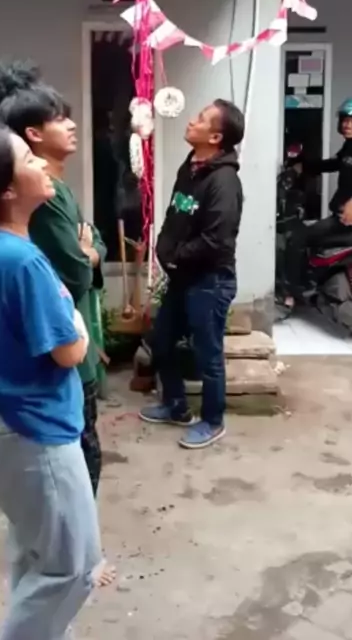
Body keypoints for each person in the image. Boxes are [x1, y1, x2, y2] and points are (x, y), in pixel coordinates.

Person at [0, 129, 102, 640]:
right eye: (27, 158)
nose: (40, 163)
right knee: (73, 569)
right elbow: (70, 351)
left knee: (38, 555)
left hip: (7, 423)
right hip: (35, 433)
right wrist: (78, 324)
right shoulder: (22, 260)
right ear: (6, 190)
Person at [0, 62, 115, 585]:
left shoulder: (16, 230)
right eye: (61, 118)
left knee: (68, 468)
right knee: (77, 461)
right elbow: (75, 276)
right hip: (53, 383)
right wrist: (86, 260)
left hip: (47, 381)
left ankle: (66, 551)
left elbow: (92, 242)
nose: (73, 125)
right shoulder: (22, 247)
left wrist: (90, 251)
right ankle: (75, 557)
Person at [140, 99, 244, 450]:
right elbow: (176, 215)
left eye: (200, 119)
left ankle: (213, 421)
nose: (191, 121)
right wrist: (162, 247)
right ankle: (176, 406)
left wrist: (174, 257)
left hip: (209, 281)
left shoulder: (224, 182)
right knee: (162, 340)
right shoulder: (191, 168)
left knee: (206, 354)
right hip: (182, 276)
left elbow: (216, 241)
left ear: (215, 137)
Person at [284, 97, 352, 306]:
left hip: (348, 219)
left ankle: (293, 292)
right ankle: (316, 283)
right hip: (338, 214)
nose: (348, 125)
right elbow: (337, 163)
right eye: (345, 120)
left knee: (297, 239)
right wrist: (304, 167)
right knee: (314, 242)